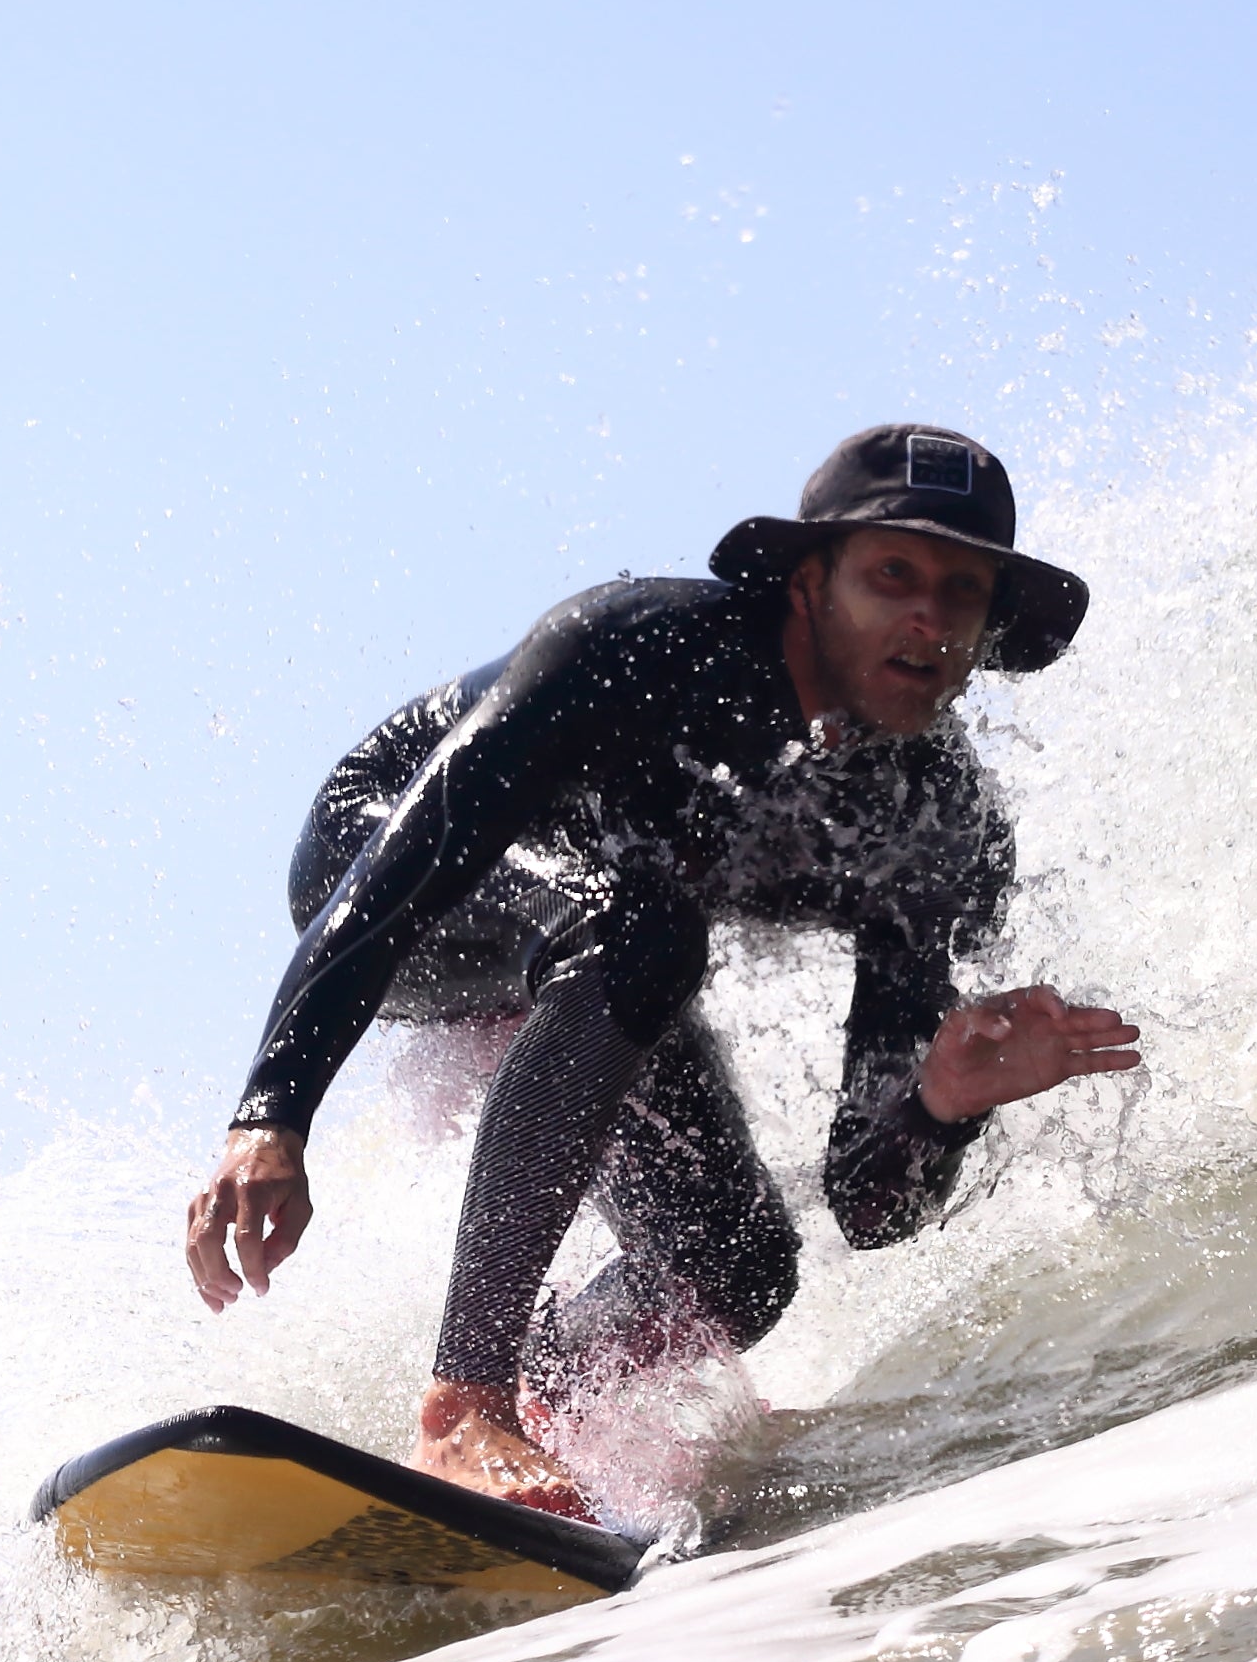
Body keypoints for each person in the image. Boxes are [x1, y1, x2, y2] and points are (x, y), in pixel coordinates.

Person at [183, 424, 1144, 1515]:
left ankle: (538, 1412)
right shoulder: (639, 646)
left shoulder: (934, 825)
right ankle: (466, 1409)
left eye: (962, 593)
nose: (928, 617)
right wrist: (273, 1110)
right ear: (806, 582)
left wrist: (941, 1102)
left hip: (610, 940)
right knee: (642, 929)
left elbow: (870, 1207)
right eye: (892, 575)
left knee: (738, 1270)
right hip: (400, 879)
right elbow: (405, 863)